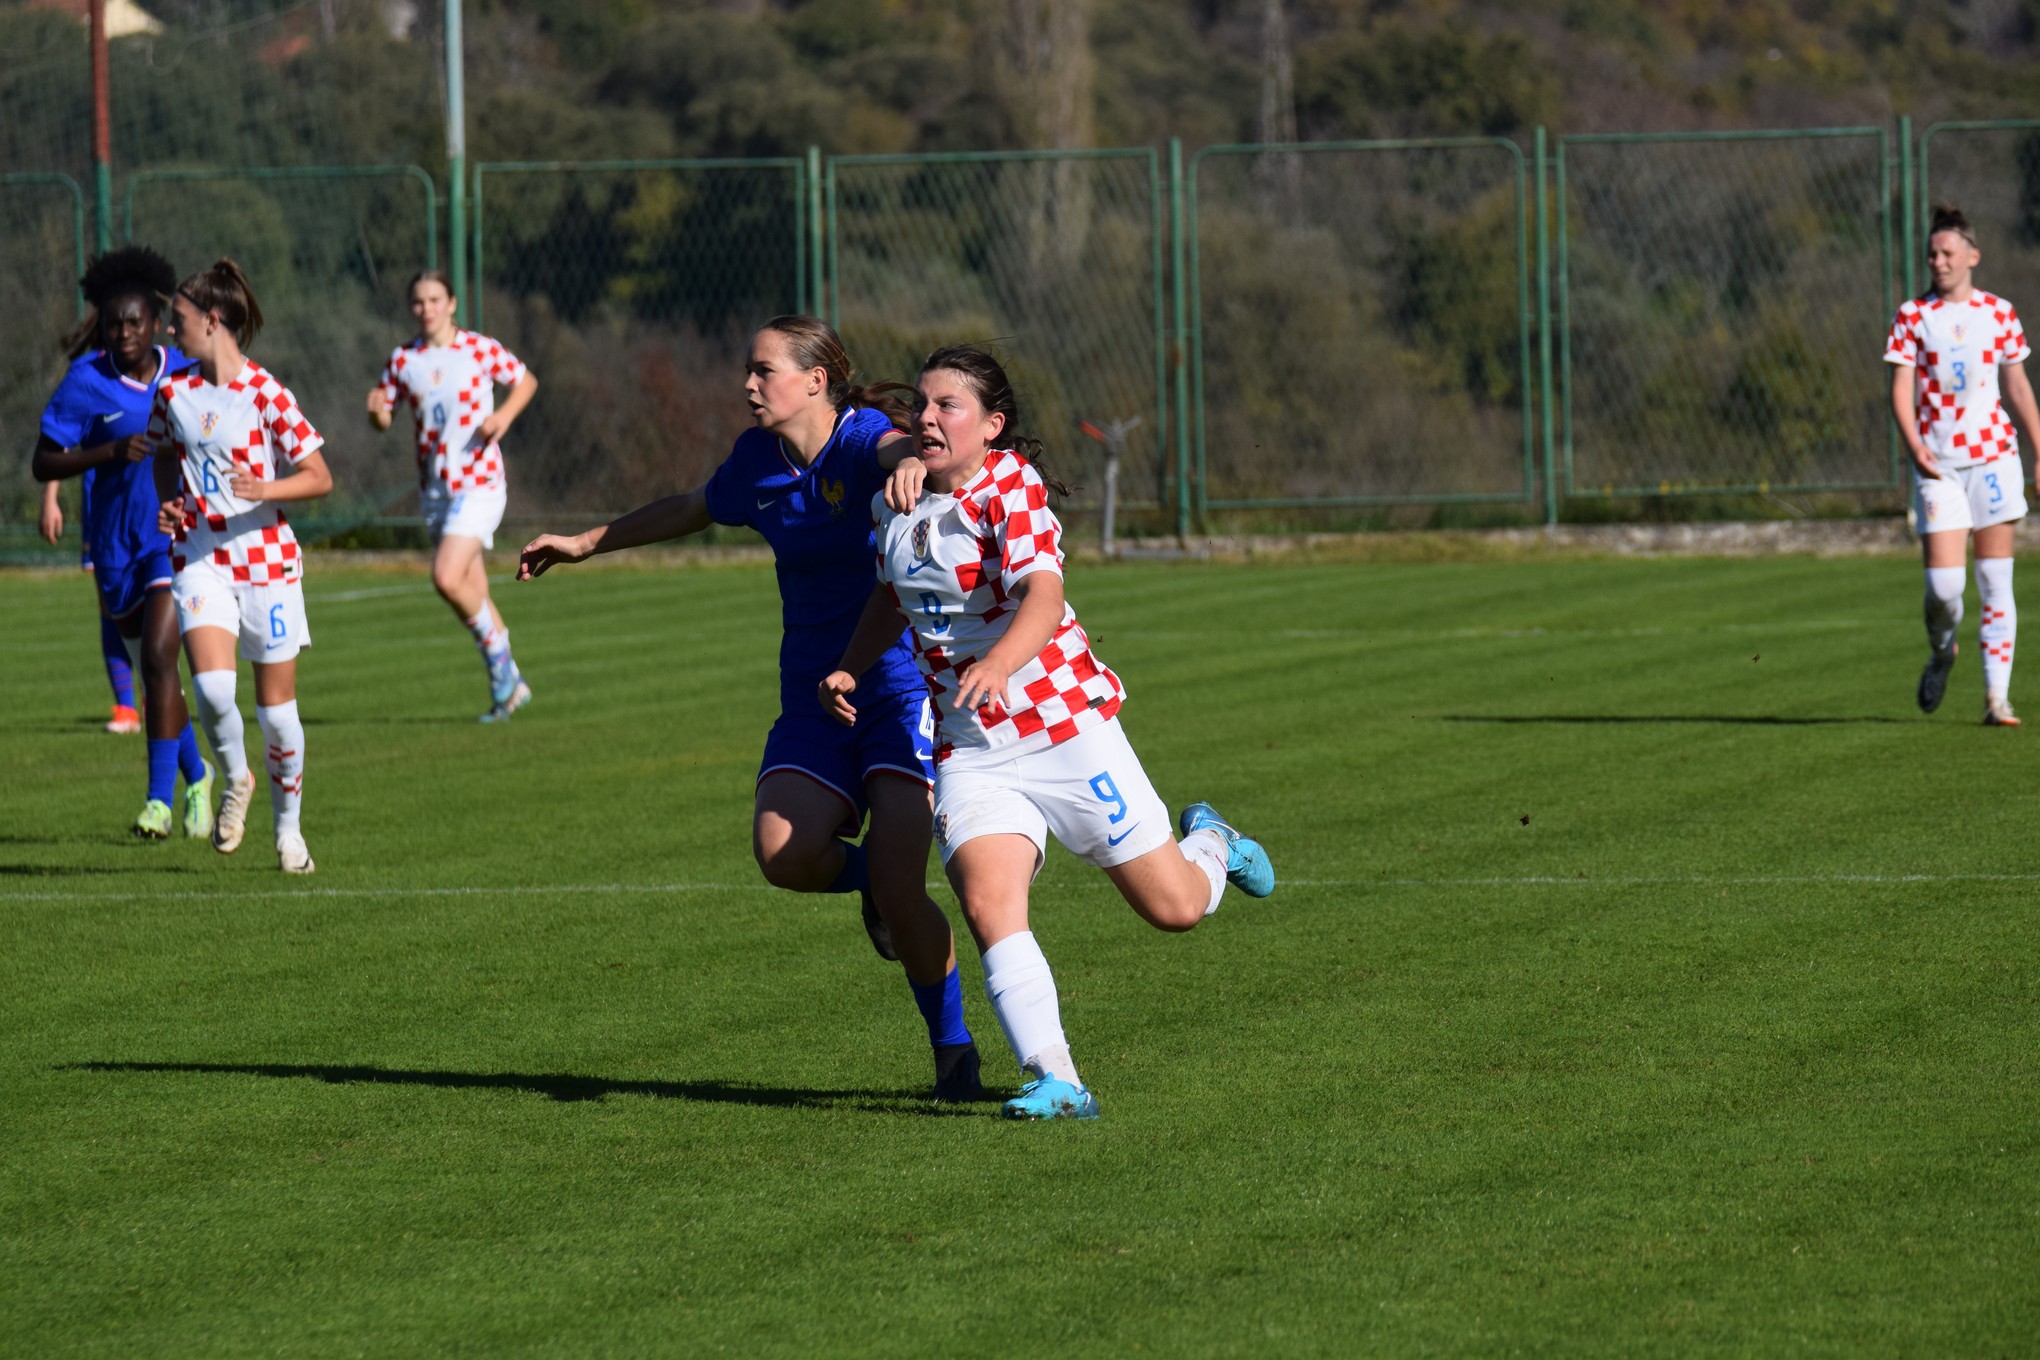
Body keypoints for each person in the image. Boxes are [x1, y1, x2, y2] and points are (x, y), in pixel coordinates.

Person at [518, 316, 983, 1101]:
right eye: (749, 369)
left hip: (897, 687)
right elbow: (691, 507)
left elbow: (895, 448)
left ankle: (954, 1053)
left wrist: (912, 459)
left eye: (764, 370)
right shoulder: (756, 460)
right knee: (782, 854)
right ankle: (869, 882)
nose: (748, 383)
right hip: (810, 692)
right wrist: (586, 542)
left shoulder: (859, 439)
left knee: (907, 893)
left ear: (816, 380)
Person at [819, 345, 1275, 1122]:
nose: (927, 418)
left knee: (1174, 908)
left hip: (1065, 730)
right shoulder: (894, 504)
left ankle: (1213, 844)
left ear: (991, 426)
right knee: (988, 902)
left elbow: (1043, 593)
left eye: (948, 405)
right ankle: (1056, 1078)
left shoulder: (1010, 487)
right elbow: (893, 597)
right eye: (922, 404)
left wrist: (1000, 662)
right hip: (971, 748)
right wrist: (848, 667)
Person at [151, 258, 335, 872]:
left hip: (266, 563)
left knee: (278, 717)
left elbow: (319, 476)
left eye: (177, 319)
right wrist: (169, 501)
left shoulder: (265, 392)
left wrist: (265, 489)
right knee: (210, 688)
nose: (169, 329)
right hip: (200, 556)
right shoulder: (173, 391)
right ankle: (236, 779)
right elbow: (163, 454)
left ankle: (289, 833)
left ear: (212, 320)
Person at [31, 245, 215, 837]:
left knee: (161, 659)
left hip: (171, 539)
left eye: (135, 322)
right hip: (113, 547)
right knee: (157, 676)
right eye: (114, 324)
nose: (124, 332)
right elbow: (43, 462)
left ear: (157, 324)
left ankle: (158, 803)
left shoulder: (186, 373)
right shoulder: (86, 382)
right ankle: (198, 776)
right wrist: (108, 451)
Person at [1890, 204, 2040, 725]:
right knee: (1944, 589)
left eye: (1947, 252)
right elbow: (1901, 389)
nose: (1938, 261)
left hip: (1995, 458)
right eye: (1932, 254)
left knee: (1996, 578)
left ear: (1972, 256)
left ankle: (1996, 699)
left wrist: (2039, 449)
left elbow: (2018, 386)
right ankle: (1942, 651)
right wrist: (1915, 446)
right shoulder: (1913, 316)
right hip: (1939, 467)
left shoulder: (1999, 313)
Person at [366, 271, 539, 721]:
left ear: (452, 303)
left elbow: (525, 381)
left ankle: (501, 668)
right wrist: (377, 412)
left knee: (445, 577)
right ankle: (510, 688)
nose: (427, 309)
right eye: (418, 301)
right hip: (436, 491)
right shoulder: (404, 360)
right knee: (473, 590)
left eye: (435, 299)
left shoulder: (478, 349)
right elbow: (384, 418)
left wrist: (503, 417)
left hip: (480, 483)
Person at [39, 477, 143, 734]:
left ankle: (155, 692)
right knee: (109, 606)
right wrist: (50, 498)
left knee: (155, 601)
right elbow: (59, 452)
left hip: (145, 499)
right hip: (100, 504)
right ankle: (126, 708)